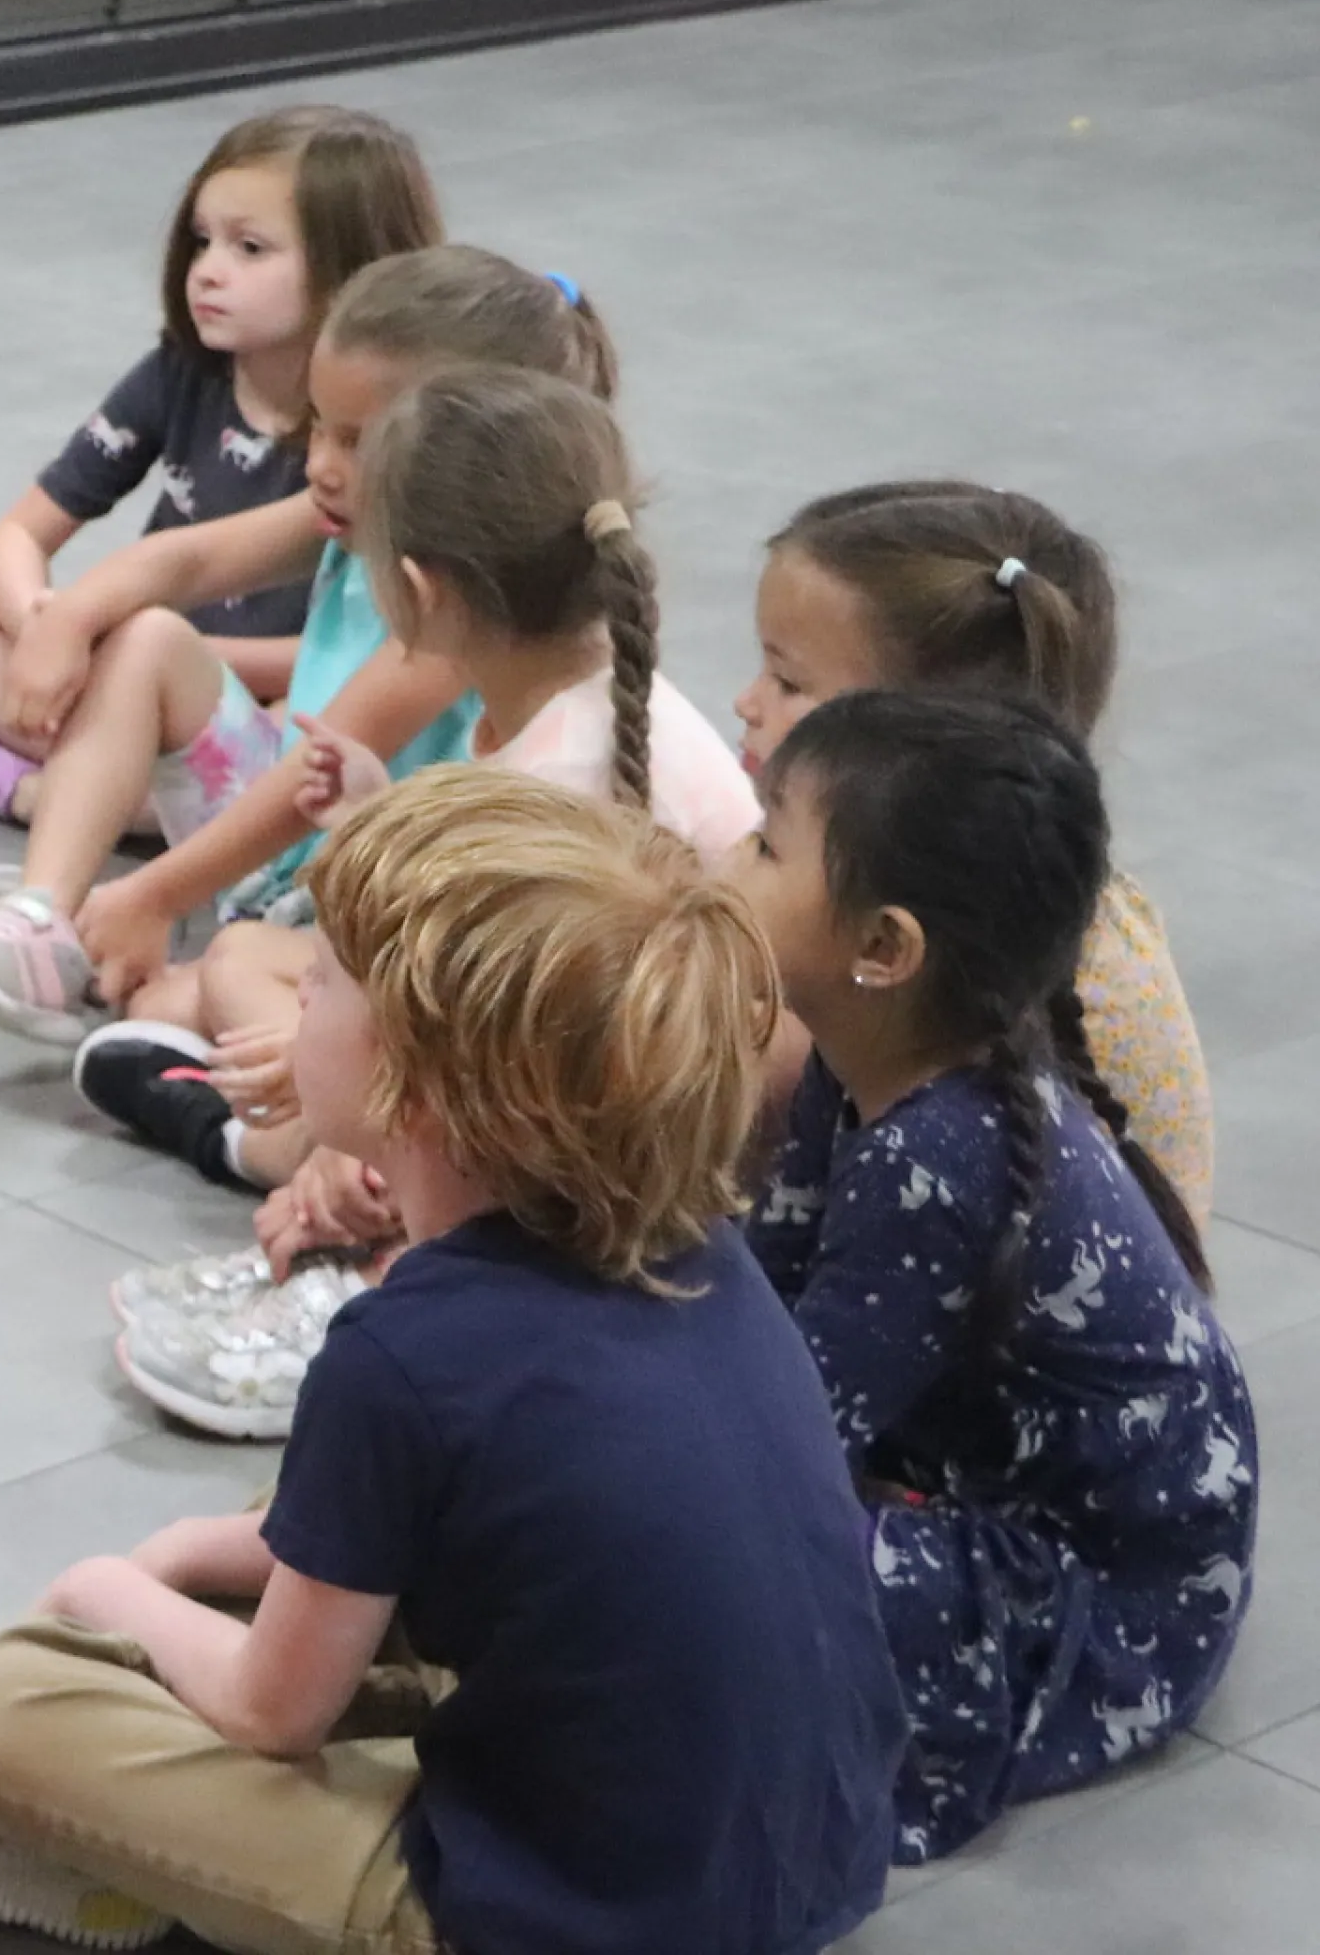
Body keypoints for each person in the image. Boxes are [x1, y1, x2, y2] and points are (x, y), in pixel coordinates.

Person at [0, 767, 905, 1955]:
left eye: (319, 986)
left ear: (421, 1086)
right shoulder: (692, 1241)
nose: (293, 999)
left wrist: (115, 1584)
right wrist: (197, 1558)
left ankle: (90, 1874)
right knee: (295, 1525)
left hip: (575, 1926)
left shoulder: (402, 1353)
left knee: (16, 1706)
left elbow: (271, 1711)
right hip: (805, 1861)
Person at [90, 371, 759, 1438]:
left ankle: (372, 1268)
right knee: (264, 964)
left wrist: (352, 1155)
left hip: (626, 1155)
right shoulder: (564, 711)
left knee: (337, 1031)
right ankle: (314, 1177)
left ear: (416, 589)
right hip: (583, 1097)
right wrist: (374, 817)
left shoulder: (557, 777)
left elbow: (523, 1056)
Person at [735, 690, 1254, 1863]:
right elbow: (764, 1290)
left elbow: (786, 1434)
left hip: (1110, 1603)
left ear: (884, 949)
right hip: (980, 1476)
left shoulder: (938, 1153)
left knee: (723, 1571)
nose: (730, 860)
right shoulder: (859, 1060)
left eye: (767, 846)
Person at [0, 246, 615, 1044]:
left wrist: (155, 896)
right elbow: (185, 558)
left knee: (171, 1003)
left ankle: (124, 972)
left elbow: (323, 766)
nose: (321, 466)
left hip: (373, 894)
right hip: (291, 849)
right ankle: (44, 914)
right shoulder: (353, 508)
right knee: (147, 640)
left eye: (357, 442)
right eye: (318, 429)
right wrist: (68, 619)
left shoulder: (466, 609)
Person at [0, 106, 437, 751]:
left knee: (308, 735)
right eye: (203, 240)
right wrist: (41, 619)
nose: (208, 270)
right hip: (124, 670)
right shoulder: (184, 370)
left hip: (245, 700)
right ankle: (87, 773)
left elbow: (357, 658)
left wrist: (158, 649)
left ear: (353, 271)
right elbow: (23, 532)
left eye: (249, 248)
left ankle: (29, 781)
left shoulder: (383, 436)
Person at [734, 481, 1212, 1208]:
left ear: (924, 743)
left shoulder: (979, 982)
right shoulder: (937, 896)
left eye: (789, 680)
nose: (747, 702)